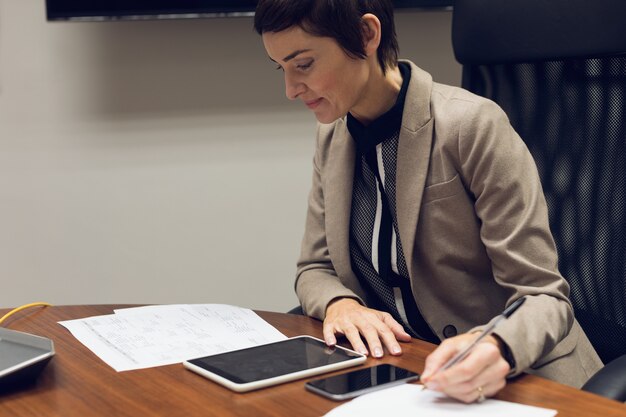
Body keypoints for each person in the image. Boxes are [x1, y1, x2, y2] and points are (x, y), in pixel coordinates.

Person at [254, 0, 602, 403]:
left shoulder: (472, 125)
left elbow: (545, 297)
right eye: (282, 68)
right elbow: (315, 267)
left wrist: (496, 347)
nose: (291, 89)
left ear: (367, 35)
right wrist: (341, 304)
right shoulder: (333, 135)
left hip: (520, 378)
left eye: (304, 64)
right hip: (408, 377)